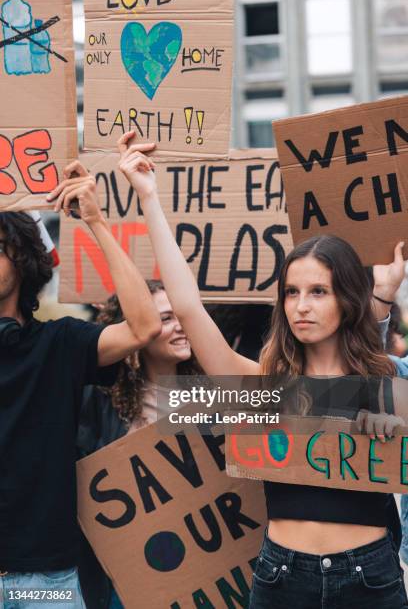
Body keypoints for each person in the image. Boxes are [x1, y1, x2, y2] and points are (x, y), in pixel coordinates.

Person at [117, 131, 408, 608]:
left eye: (318, 291)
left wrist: (392, 429)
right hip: (281, 576)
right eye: (292, 292)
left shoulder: (387, 380)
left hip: (368, 577)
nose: (301, 306)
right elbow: (189, 308)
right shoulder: (262, 387)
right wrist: (149, 198)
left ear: (346, 300)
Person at [0, 158, 161, 608]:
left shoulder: (61, 344)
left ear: (22, 258)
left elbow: (143, 327)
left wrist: (95, 220)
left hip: (44, 584)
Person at [77, 282, 200, 609]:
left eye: (182, 316)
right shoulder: (99, 405)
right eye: (166, 318)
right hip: (128, 580)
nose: (180, 327)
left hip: (203, 569)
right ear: (137, 332)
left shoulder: (214, 394)